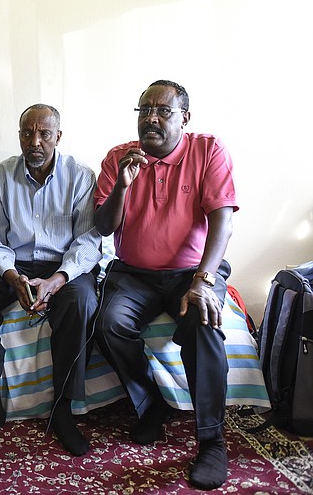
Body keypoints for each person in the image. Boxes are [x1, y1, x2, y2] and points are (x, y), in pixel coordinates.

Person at [93, 80, 237, 490]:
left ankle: (211, 440)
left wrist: (204, 281)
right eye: (143, 110)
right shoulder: (118, 157)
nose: (151, 119)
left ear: (184, 118)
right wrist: (122, 185)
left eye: (163, 111)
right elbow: (104, 227)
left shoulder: (208, 149)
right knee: (107, 323)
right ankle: (151, 405)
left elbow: (222, 221)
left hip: (191, 272)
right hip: (134, 273)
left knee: (203, 322)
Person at [0, 104, 101, 456]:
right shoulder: (1, 175)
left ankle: (62, 410)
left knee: (81, 301)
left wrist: (57, 279)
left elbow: (88, 241)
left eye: (44, 134)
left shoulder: (80, 176)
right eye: (26, 133)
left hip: (64, 265)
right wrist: (11, 276)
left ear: (58, 137)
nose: (34, 141)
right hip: (13, 262)